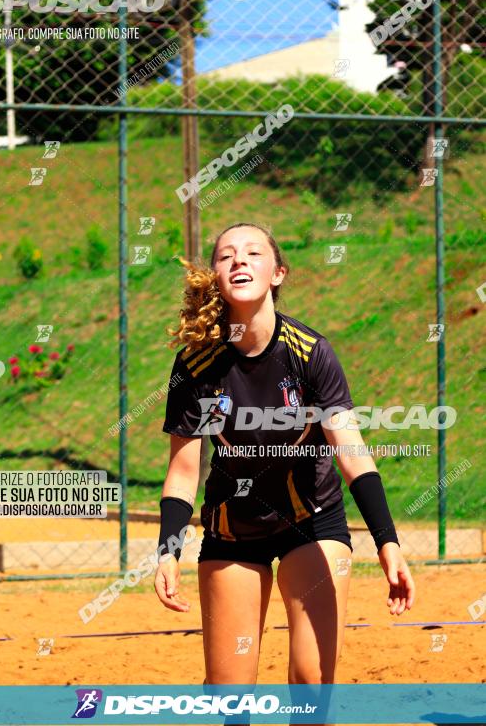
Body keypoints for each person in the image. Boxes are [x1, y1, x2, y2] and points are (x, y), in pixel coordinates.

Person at [154, 222, 414, 719]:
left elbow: (352, 452)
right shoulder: (197, 366)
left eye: (253, 252)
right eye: (226, 255)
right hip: (234, 528)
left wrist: (388, 541)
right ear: (215, 276)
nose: (239, 260)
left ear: (278, 273)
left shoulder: (310, 354)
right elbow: (184, 472)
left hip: (311, 522)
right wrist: (168, 552)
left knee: (313, 685)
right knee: (230, 699)